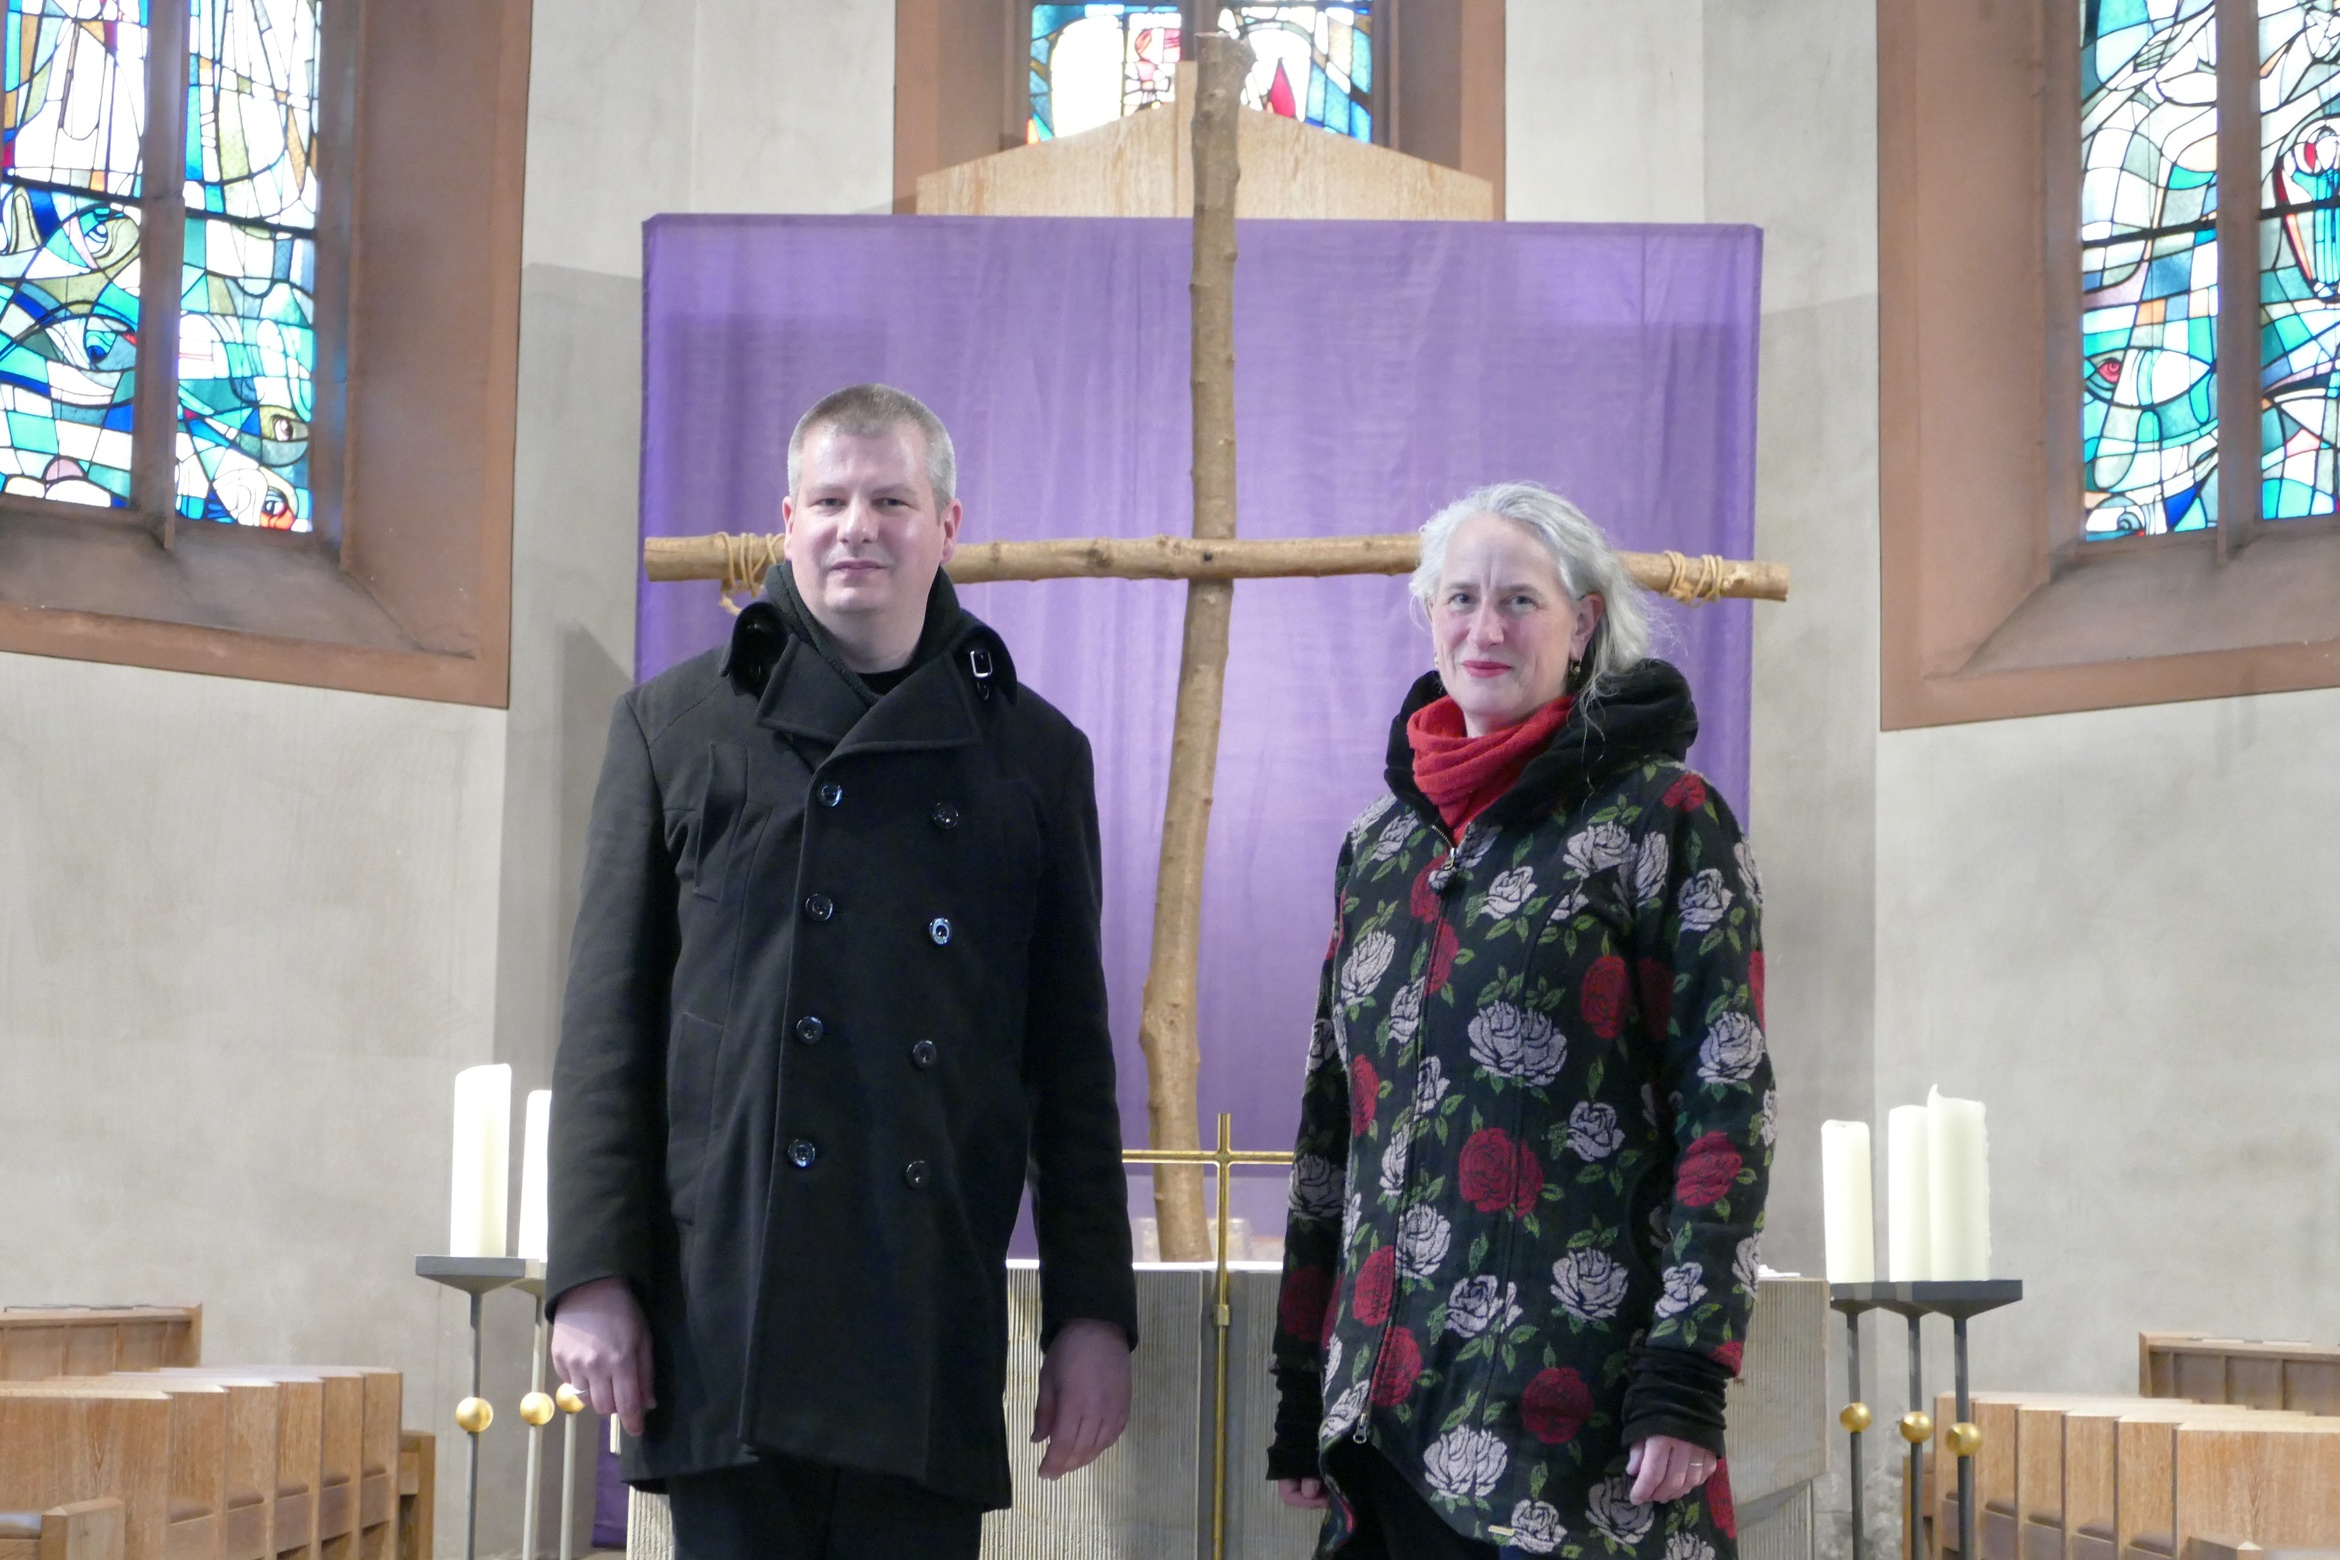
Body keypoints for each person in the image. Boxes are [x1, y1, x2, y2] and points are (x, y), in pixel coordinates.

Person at [546, 384, 1138, 1560]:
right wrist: (593, 1276)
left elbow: (1071, 1064)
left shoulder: (1032, 755)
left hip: (919, 1306)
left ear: (947, 525)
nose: (855, 526)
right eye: (828, 499)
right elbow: (607, 1026)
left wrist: (1092, 1315)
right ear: (786, 518)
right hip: (727, 1312)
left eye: (889, 500)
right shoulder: (676, 729)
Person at [1267, 482, 1773, 1559]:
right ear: (1429, 617)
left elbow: (1725, 1106)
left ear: (1584, 622)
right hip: (1383, 1425)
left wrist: (1687, 1375)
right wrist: (1300, 1384)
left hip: (1573, 1429)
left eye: (1520, 602)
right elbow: (1331, 1128)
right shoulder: (1379, 846)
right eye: (1460, 598)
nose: (1485, 628)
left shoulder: (1663, 817)